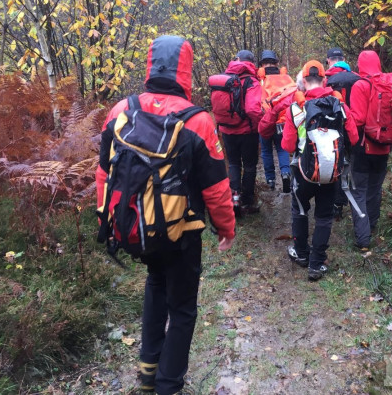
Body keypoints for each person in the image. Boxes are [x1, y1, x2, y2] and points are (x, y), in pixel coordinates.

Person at [95, 35, 235, 395]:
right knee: (184, 308)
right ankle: (169, 385)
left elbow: (104, 174)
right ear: (185, 70)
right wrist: (226, 228)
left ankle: (147, 372)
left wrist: (106, 219)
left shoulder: (120, 111)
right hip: (181, 232)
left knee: (156, 283)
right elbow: (216, 188)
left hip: (137, 228)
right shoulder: (198, 121)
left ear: (150, 64)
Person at [280, 60, 359, 280]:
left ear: (303, 82)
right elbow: (354, 137)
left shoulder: (297, 107)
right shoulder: (340, 105)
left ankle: (302, 253)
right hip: (331, 172)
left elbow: (286, 146)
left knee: (300, 210)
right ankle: (317, 264)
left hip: (303, 173)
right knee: (324, 216)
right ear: (325, 80)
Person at [348, 50, 392, 251]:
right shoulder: (391, 85)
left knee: (358, 192)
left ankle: (363, 239)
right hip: (384, 148)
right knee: (374, 190)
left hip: (363, 148)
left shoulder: (361, 85)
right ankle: (371, 226)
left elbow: (357, 120)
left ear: (360, 65)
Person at [217, 50, 263, 214]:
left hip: (227, 130)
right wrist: (260, 125)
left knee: (234, 164)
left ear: (236, 60)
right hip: (247, 132)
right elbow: (252, 109)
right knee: (250, 165)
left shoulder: (225, 79)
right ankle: (248, 201)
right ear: (251, 63)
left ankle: (234, 199)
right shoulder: (251, 81)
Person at [325, 48, 363, 220]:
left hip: (332, 128)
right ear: (344, 60)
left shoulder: (327, 80)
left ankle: (334, 204)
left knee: (335, 164)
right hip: (354, 127)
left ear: (329, 61)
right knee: (349, 165)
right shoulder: (357, 78)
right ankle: (343, 201)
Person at [257, 50, 293, 193]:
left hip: (265, 121)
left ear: (262, 64)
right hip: (282, 121)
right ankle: (285, 174)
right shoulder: (285, 78)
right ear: (276, 63)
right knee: (282, 148)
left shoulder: (259, 79)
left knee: (266, 151)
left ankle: (270, 180)